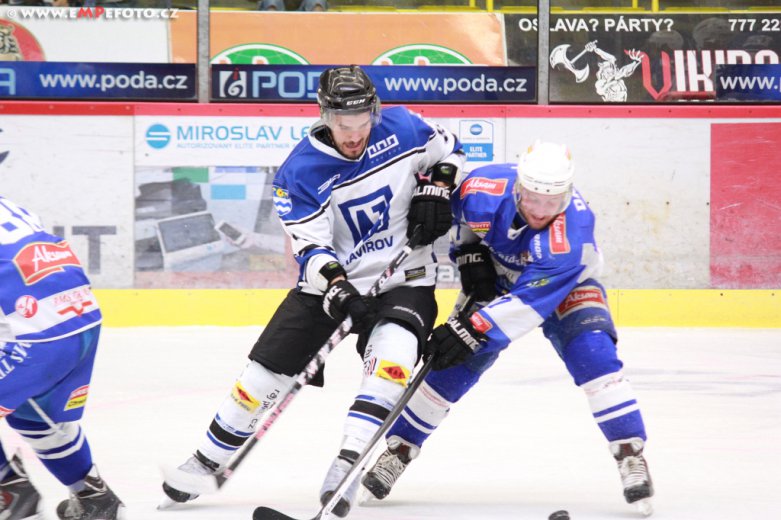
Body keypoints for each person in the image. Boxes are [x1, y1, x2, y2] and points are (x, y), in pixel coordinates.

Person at [161, 65, 465, 517]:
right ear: (325, 115)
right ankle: (207, 459)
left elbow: (451, 149)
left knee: (393, 361)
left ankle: (346, 466)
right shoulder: (299, 172)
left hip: (405, 277)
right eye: (343, 124)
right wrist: (340, 288)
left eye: (362, 122)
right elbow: (312, 249)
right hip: (329, 286)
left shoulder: (404, 126)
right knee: (260, 378)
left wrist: (438, 187)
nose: (354, 135)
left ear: (375, 111)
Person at [362, 141, 655, 516]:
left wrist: (470, 329)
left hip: (565, 286)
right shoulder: (483, 188)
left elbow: (527, 306)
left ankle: (630, 453)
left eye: (552, 202)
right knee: (450, 365)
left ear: (566, 195)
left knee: (594, 355)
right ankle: (399, 449)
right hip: (500, 278)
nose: (540, 211)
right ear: (519, 187)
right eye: (533, 199)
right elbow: (460, 217)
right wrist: (469, 253)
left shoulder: (573, 236)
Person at [0, 196, 124, 520]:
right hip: (81, 321)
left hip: (30, 339)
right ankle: (95, 499)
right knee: (33, 416)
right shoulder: (11, 206)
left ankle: (9, 492)